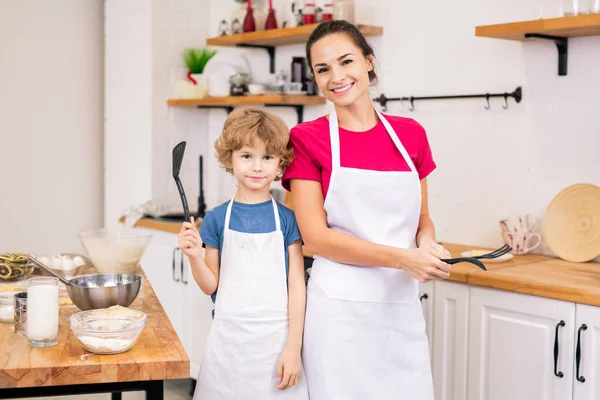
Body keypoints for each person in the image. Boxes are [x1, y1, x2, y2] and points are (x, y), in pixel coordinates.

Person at [281, 20, 453, 400]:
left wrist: (426, 247)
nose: (336, 77)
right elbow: (316, 238)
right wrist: (403, 259)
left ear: (369, 62)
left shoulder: (411, 134)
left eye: (346, 62)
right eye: (323, 69)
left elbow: (422, 219)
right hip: (339, 315)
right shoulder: (307, 139)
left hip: (401, 308)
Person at [178, 108, 309, 400]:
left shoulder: (288, 219)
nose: (257, 167)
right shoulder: (216, 219)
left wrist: (293, 347)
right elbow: (210, 285)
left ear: (280, 164)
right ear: (230, 159)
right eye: (247, 156)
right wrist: (194, 257)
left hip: (277, 344)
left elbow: (297, 287)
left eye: (267, 157)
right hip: (229, 347)